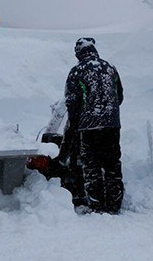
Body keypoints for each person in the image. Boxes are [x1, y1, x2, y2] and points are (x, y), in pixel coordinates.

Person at [64, 37, 124, 214]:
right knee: (112, 164)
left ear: (79, 53)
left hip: (89, 127)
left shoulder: (77, 71)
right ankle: (114, 205)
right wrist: (108, 112)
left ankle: (97, 205)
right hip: (113, 125)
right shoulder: (110, 68)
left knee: (92, 166)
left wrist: (74, 126)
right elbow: (119, 96)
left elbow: (72, 102)